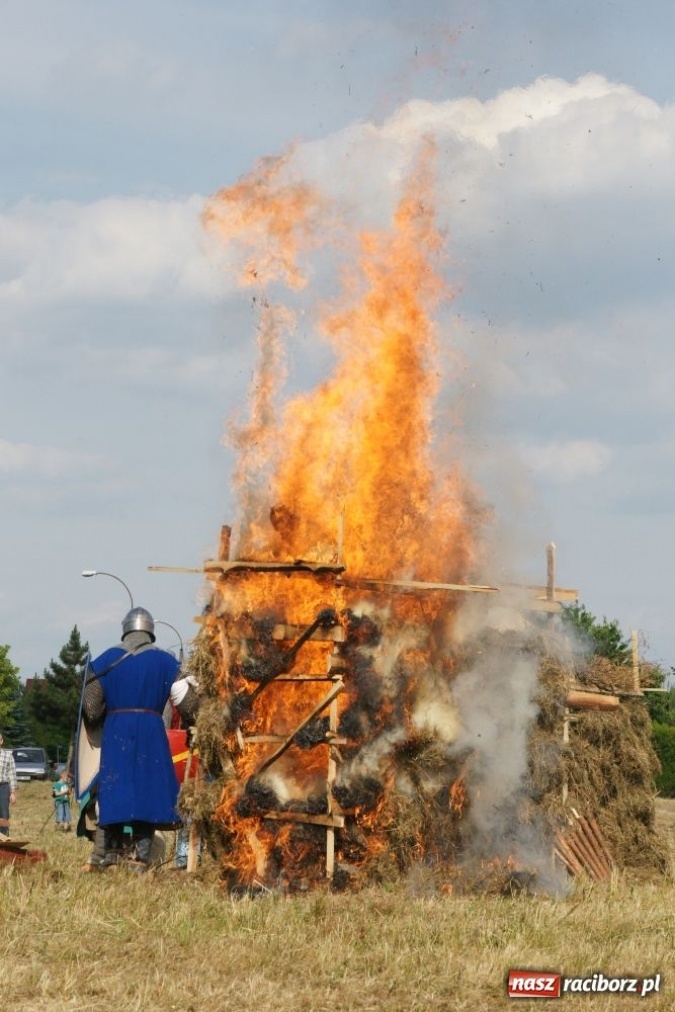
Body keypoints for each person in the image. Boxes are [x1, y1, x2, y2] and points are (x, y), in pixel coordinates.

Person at [82, 606, 198, 872]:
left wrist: (102, 720)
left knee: (113, 791)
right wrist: (197, 722)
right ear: (150, 632)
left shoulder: (105, 659)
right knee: (147, 794)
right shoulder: (166, 661)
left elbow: (90, 708)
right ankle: (140, 858)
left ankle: (105, 856)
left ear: (126, 630)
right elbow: (187, 702)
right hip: (150, 731)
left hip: (116, 731)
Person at [0, 732, 17, 837]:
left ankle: (4, 836)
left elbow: (12, 774)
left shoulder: (7, 755)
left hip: (3, 787)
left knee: (4, 813)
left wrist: (13, 792)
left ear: (1, 741)